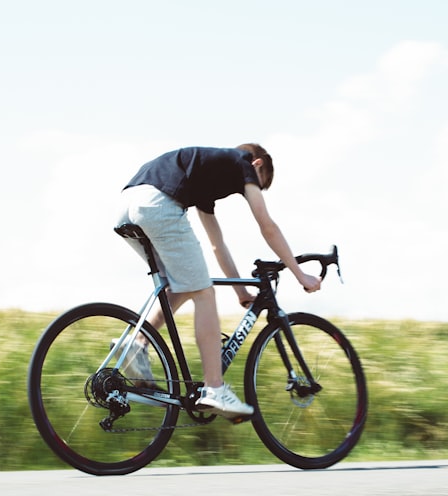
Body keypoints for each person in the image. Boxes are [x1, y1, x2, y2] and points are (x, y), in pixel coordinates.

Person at [115, 144, 322, 419]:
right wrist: (300, 274)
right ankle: (215, 388)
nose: (253, 191)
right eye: (260, 185)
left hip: (128, 205)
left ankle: (135, 344)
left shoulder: (205, 178)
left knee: (181, 283)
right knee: (204, 293)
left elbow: (217, 244)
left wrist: (240, 292)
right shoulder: (242, 161)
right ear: (257, 164)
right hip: (157, 205)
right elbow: (266, 224)